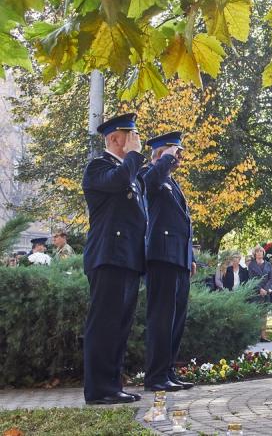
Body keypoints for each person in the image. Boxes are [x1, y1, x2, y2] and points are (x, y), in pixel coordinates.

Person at [81, 113, 146, 405]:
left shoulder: (127, 171)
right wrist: (134, 157)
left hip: (128, 258)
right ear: (113, 139)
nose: (135, 141)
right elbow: (119, 182)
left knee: (120, 325)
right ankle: (98, 390)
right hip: (108, 256)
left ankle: (112, 385)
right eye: (129, 136)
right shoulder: (99, 167)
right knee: (104, 324)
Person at [141, 131, 196, 392]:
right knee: (161, 318)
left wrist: (191, 256)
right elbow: (147, 185)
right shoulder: (149, 174)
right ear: (162, 153)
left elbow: (183, 223)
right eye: (176, 152)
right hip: (161, 256)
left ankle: (168, 371)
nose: (180, 158)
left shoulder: (172, 182)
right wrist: (163, 160)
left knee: (176, 320)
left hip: (178, 258)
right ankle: (155, 376)